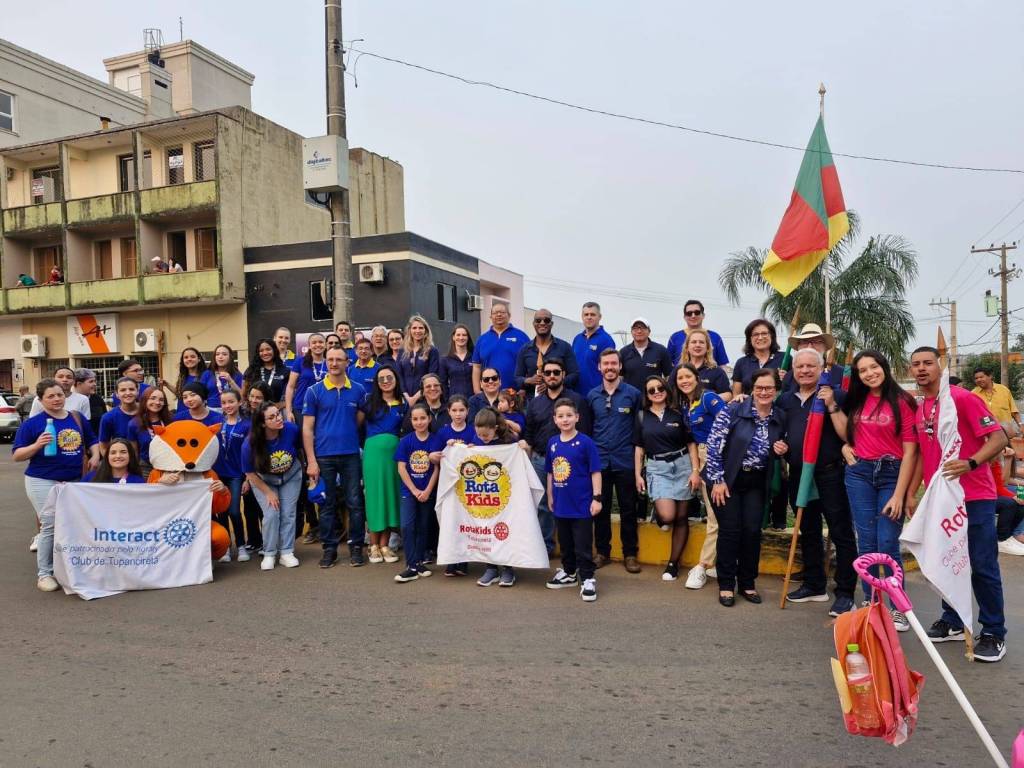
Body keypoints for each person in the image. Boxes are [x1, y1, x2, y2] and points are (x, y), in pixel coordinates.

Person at [908, 346, 1008, 663]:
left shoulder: (962, 399)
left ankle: (993, 632)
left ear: (940, 367)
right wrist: (912, 493)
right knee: (947, 562)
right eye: (915, 364)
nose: (921, 368)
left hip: (974, 497)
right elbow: (922, 455)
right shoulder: (921, 408)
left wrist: (971, 462)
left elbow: (999, 438)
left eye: (927, 363)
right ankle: (952, 620)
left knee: (982, 565)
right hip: (940, 501)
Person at [836, 350, 918, 631]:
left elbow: (911, 451)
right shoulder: (856, 399)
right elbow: (850, 434)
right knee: (867, 543)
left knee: (887, 542)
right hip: (859, 473)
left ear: (884, 367)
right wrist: (845, 447)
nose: (870, 373)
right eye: (863, 370)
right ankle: (871, 602)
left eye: (874, 367)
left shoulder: (903, 400)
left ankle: (898, 608)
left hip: (892, 474)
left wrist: (899, 494)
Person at [777, 348, 858, 616]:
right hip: (800, 474)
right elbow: (780, 432)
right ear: (793, 370)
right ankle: (814, 585)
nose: (805, 371)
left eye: (811, 366)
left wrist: (832, 403)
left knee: (841, 532)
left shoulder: (836, 394)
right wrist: (780, 446)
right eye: (800, 366)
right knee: (808, 530)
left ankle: (845, 592)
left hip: (830, 473)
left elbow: (849, 434)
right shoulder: (785, 400)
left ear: (822, 368)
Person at [704, 368, 786, 607]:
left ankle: (747, 583)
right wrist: (718, 480)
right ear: (752, 389)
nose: (764, 392)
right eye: (759, 387)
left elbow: (783, 443)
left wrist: (783, 448)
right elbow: (713, 445)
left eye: (769, 388)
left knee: (751, 531)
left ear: (776, 390)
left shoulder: (779, 416)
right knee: (730, 531)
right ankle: (726, 584)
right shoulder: (733, 410)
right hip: (727, 479)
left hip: (756, 481)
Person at [13, 378, 100, 591]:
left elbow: (92, 440)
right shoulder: (33, 424)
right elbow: (17, 455)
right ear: (41, 400)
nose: (56, 399)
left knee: (73, 524)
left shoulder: (76, 418)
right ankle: (44, 574)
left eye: (59, 394)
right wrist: (37, 445)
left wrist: (96, 455)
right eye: (50, 396)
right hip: (42, 480)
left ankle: (70, 566)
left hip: (74, 480)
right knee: (50, 525)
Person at [303, 346, 368, 568]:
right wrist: (311, 461)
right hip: (323, 457)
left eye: (338, 359)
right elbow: (307, 429)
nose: (334, 363)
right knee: (327, 505)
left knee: (355, 503)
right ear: (326, 362)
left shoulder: (358, 390)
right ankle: (329, 549)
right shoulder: (314, 391)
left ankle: (356, 547)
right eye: (330, 359)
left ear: (347, 362)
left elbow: (359, 418)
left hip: (350, 455)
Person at [634, 374, 700, 581]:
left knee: (681, 517)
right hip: (657, 468)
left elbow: (691, 443)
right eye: (651, 390)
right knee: (669, 516)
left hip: (682, 466)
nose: (657, 392)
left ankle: (673, 564)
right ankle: (659, 514)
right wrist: (637, 475)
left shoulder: (678, 413)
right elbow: (639, 449)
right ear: (646, 395)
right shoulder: (641, 416)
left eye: (660, 388)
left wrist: (695, 470)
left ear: (666, 390)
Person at [523, 358, 592, 555]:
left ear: (563, 375)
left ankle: (574, 550)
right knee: (543, 504)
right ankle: (545, 547)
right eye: (548, 373)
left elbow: (585, 432)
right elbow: (529, 434)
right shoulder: (535, 403)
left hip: (570, 462)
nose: (552, 376)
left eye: (556, 372)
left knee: (569, 501)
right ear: (543, 376)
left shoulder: (577, 400)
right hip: (540, 460)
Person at [586, 349, 644, 572]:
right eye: (605, 364)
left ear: (620, 366)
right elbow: (588, 429)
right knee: (601, 509)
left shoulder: (633, 394)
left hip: (625, 460)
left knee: (628, 509)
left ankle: (630, 554)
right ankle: (602, 552)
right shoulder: (592, 396)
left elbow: (640, 428)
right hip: (599, 462)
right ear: (599, 367)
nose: (609, 367)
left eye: (613, 363)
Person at [671, 363, 727, 589]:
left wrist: (718, 458)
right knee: (714, 513)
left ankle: (703, 565)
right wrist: (696, 470)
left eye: (688, 376)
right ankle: (715, 562)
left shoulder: (708, 398)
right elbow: (692, 442)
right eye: (680, 378)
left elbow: (728, 423)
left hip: (719, 457)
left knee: (717, 515)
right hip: (703, 458)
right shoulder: (687, 405)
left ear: (696, 378)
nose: (684, 381)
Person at [544, 398, 603, 602]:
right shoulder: (552, 443)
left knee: (583, 544)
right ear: (555, 419)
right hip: (561, 504)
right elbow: (550, 472)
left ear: (577, 417)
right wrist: (550, 495)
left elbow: (595, 471)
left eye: (569, 415)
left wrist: (597, 498)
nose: (565, 419)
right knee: (566, 542)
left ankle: (587, 578)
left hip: (582, 504)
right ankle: (569, 572)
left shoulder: (586, 442)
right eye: (560, 416)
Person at [243, 403, 303, 571]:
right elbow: (250, 473)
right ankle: (269, 553)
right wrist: (268, 493)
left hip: (291, 476)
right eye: (272, 417)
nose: (278, 418)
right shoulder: (249, 444)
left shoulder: (291, 429)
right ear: (263, 424)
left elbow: (300, 449)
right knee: (271, 514)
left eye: (278, 414)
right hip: (264, 480)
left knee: (288, 513)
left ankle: (286, 552)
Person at [394, 403, 444, 582]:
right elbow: (401, 468)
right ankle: (411, 566)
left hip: (427, 491)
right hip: (409, 491)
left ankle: (419, 562)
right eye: (415, 419)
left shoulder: (436, 440)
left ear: (429, 419)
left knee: (423, 526)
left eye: (423, 418)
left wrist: (427, 490)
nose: (419, 422)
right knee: (407, 526)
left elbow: (437, 468)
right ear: (411, 421)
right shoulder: (405, 441)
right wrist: (414, 490)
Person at [361, 366, 406, 565]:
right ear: (376, 383)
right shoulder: (368, 402)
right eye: (381, 379)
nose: (386, 381)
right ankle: (373, 545)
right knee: (374, 497)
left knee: (389, 497)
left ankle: (385, 545)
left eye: (389, 377)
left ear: (396, 379)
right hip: (373, 455)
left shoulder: (403, 403)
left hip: (393, 456)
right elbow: (357, 426)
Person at [472, 408, 520, 587]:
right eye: (479, 434)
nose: (482, 438)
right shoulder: (476, 440)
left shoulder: (509, 441)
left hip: (505, 497)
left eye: (485, 435)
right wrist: (458, 447)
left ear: (495, 428)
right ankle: (491, 569)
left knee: (505, 531)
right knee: (486, 530)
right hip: (486, 496)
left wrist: (523, 447)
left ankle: (508, 569)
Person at [213, 389, 251, 563]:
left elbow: (251, 453)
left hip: (236, 474)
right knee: (221, 512)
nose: (227, 405)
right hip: (218, 474)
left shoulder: (247, 425)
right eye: (224, 403)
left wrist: (248, 478)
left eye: (231, 402)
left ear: (239, 402)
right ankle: (226, 548)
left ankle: (241, 545)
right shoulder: (217, 424)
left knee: (234, 511)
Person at [515, 309, 579, 398]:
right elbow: (517, 378)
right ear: (534, 324)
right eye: (538, 320)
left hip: (560, 400)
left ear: (551, 324)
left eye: (546, 320)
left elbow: (574, 374)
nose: (542, 323)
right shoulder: (525, 349)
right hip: (533, 401)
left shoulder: (565, 347)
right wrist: (528, 380)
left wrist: (553, 383)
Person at [472, 301, 528, 391]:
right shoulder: (482, 339)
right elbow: (476, 367)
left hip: (516, 393)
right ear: (491, 317)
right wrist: (477, 391)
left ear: (509, 315)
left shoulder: (521, 336)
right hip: (489, 392)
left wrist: (524, 389)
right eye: (495, 313)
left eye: (502, 312)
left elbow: (529, 364)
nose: (499, 315)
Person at [783, 323, 845, 392]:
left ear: (825, 347)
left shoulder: (841, 374)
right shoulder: (789, 377)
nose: (810, 347)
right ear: (798, 347)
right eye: (804, 342)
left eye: (816, 342)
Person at [667, 299, 730, 367]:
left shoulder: (715, 337)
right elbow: (668, 366)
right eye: (689, 313)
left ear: (703, 315)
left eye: (697, 312)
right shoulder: (674, 338)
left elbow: (722, 365)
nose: (693, 316)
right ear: (684, 317)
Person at [127, 386, 173, 479]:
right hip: (146, 468)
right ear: (145, 400)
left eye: (161, 400)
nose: (157, 402)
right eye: (153, 398)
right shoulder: (134, 424)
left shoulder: (171, 420)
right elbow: (134, 452)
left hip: (170, 466)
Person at [732, 319, 786, 396]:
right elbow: (736, 395)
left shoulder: (785, 358)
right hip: (749, 403)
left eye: (764, 333)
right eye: (755, 334)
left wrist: (786, 378)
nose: (760, 338)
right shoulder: (741, 363)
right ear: (749, 339)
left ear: (772, 336)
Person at [572, 301, 616, 396]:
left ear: (599, 317)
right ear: (582, 317)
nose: (589, 317)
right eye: (586, 314)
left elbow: (610, 370)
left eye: (592, 314)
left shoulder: (606, 340)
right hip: (576, 395)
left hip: (597, 396)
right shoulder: (577, 339)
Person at [619, 317, 672, 393]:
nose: (639, 331)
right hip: (630, 397)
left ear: (649, 331)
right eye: (635, 328)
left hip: (654, 396)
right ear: (631, 332)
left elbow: (669, 376)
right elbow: (620, 378)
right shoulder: (623, 352)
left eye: (643, 328)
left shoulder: (661, 350)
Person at [397, 315, 440, 403]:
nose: (417, 331)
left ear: (425, 331)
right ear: (410, 330)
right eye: (414, 328)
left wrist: (415, 398)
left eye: (421, 328)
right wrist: (406, 396)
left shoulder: (432, 351)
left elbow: (432, 375)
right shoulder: (402, 351)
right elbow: (399, 375)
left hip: (425, 398)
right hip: (404, 398)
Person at [285, 333, 327, 423]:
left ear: (325, 345)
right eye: (314, 342)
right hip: (301, 407)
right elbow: (290, 387)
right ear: (309, 346)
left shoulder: (329, 363)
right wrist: (288, 411)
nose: (317, 345)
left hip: (324, 408)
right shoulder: (300, 361)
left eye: (321, 342)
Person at [680, 329, 731, 399]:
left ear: (707, 348)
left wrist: (707, 400)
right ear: (687, 347)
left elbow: (728, 395)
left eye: (701, 342)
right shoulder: (678, 370)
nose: (698, 345)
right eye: (694, 342)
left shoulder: (717, 371)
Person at [972, 365, 1022, 431]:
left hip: (1008, 432)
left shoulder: (1003, 390)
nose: (978, 380)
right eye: (976, 378)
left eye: (981, 377)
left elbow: (1014, 411)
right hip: (987, 432)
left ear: (990, 376)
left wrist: (1021, 425)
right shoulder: (973, 394)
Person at [244, 338, 291, 406]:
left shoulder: (285, 371)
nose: (265, 353)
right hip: (254, 410)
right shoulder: (251, 370)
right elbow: (243, 394)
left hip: (275, 411)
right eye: (261, 350)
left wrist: (280, 405)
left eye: (268, 349)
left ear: (274, 350)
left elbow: (292, 393)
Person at [99, 377, 139, 454]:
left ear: (137, 392)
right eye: (123, 390)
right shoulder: (108, 418)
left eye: (131, 389)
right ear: (117, 394)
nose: (128, 393)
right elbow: (103, 447)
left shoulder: (147, 412)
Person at [439, 324, 475, 399]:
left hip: (473, 399)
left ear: (468, 338)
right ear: (453, 337)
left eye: (464, 335)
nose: (461, 338)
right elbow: (443, 383)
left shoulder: (475, 357)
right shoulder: (445, 360)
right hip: (454, 400)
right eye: (458, 335)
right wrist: (447, 400)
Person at [173, 347, 211, 417]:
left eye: (192, 357)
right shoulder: (182, 376)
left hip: (199, 415)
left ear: (199, 359)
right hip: (182, 413)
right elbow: (179, 394)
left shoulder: (207, 375)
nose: (189, 359)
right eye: (186, 357)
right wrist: (166, 384)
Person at [207, 344, 244, 411]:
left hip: (232, 410)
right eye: (217, 354)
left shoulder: (237, 375)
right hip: (212, 410)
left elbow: (242, 396)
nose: (220, 357)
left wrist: (230, 381)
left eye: (224, 354)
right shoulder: (207, 374)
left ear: (230, 357)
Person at [74, 369, 105, 435]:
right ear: (79, 384)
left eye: (94, 381)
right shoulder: (68, 400)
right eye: (91, 381)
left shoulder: (98, 399)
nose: (95, 384)